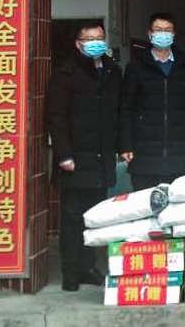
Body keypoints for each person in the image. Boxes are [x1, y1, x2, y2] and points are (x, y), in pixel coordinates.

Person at [44, 21, 125, 292]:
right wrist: (64, 154)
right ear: (78, 43)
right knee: (72, 217)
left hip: (101, 156)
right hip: (75, 157)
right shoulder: (65, 73)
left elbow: (117, 112)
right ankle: (71, 272)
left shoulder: (112, 71)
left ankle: (88, 267)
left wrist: (120, 146)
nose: (95, 43)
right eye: (89, 39)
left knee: (94, 215)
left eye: (99, 37)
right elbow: (56, 117)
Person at [119, 12, 185, 191]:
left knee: (177, 203)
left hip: (178, 153)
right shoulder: (136, 66)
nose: (163, 34)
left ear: (174, 34)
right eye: (158, 29)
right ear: (150, 34)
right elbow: (126, 108)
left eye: (167, 30)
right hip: (144, 154)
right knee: (145, 202)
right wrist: (125, 144)